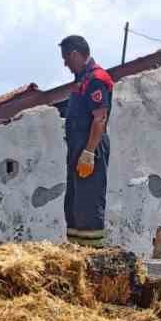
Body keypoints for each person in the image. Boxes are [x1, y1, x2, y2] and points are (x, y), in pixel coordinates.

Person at [52, 36, 114, 250]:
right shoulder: (82, 80)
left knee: (88, 203)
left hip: (91, 148)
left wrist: (89, 152)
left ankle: (92, 255)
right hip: (77, 148)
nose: (65, 64)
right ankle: (76, 252)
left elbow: (99, 118)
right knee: (74, 204)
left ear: (76, 54)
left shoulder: (96, 79)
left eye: (66, 59)